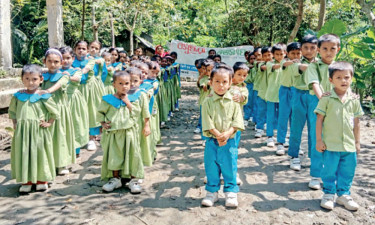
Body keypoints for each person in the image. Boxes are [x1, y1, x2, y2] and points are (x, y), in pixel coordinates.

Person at [315, 61, 363, 211]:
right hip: (331, 144)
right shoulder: (326, 98)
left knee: (348, 170)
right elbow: (319, 119)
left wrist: (357, 142)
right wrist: (319, 140)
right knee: (329, 170)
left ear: (351, 78)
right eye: (339, 77)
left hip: (348, 145)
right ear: (331, 80)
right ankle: (329, 194)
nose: (344, 81)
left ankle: (344, 195)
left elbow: (357, 122)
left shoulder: (354, 99)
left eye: (347, 77)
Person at [9, 64, 59, 192]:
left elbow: (55, 111)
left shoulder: (43, 96)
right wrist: (15, 123)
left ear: (41, 79)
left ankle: (42, 179)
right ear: (22, 79)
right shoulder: (18, 96)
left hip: (38, 131)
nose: (30, 82)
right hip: (23, 132)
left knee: (40, 153)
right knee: (25, 153)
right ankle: (27, 180)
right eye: (27, 79)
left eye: (34, 79)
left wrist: (49, 123)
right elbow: (13, 112)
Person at [201, 64, 244, 208]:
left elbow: (237, 120)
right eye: (217, 82)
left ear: (230, 83)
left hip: (229, 140)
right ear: (211, 82)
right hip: (212, 140)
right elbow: (207, 121)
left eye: (224, 82)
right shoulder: (207, 101)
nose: (221, 85)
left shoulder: (234, 101)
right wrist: (218, 135)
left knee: (229, 165)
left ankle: (231, 192)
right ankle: (212, 193)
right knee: (211, 166)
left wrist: (228, 133)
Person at [304, 33, 341, 190]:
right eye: (324, 48)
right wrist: (323, 102)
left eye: (332, 49)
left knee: (335, 139)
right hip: (318, 103)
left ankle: (331, 174)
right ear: (318, 50)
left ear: (338, 49)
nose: (328, 52)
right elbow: (315, 85)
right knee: (318, 138)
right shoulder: (314, 66)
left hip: (337, 105)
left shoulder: (340, 67)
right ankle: (315, 174)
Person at [98, 70, 144, 193]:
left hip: (129, 133)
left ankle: (133, 180)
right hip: (114, 134)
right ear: (114, 84)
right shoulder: (108, 100)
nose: (124, 86)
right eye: (120, 83)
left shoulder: (134, 99)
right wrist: (102, 123)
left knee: (133, 155)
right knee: (115, 156)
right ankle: (115, 179)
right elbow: (100, 112)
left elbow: (136, 113)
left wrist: (128, 103)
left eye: (127, 83)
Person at [286, 35, 318, 170]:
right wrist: (312, 67)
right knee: (296, 127)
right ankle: (294, 156)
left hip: (315, 97)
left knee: (315, 128)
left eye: (312, 48)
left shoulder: (321, 63)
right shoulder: (296, 62)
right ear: (301, 49)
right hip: (299, 95)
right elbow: (299, 68)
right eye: (305, 48)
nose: (309, 51)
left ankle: (315, 157)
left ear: (317, 49)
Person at [41, 48, 75, 175]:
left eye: (56, 61)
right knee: (47, 135)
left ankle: (61, 163)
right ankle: (48, 163)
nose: (53, 64)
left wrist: (48, 91)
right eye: (49, 61)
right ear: (45, 61)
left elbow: (59, 84)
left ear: (61, 63)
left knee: (60, 135)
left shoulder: (64, 75)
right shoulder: (41, 76)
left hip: (59, 108)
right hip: (44, 109)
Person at [72, 41, 103, 151]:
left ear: (87, 50)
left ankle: (91, 139)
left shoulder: (91, 61)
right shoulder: (71, 61)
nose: (81, 50)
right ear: (75, 49)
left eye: (83, 48)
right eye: (79, 48)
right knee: (78, 114)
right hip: (76, 89)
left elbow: (87, 70)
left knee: (91, 112)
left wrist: (78, 71)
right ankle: (79, 138)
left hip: (90, 89)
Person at [60, 46, 89, 159]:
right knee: (63, 126)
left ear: (72, 58)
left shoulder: (76, 70)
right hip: (60, 101)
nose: (65, 61)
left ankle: (76, 149)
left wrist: (68, 76)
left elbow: (77, 79)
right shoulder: (56, 71)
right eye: (62, 58)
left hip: (73, 101)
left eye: (68, 58)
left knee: (75, 124)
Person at [276, 42, 302, 155]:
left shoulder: (302, 63)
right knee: (283, 116)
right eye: (293, 53)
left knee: (295, 119)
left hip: (297, 92)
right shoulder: (284, 61)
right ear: (287, 53)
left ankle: (295, 144)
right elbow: (285, 64)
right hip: (285, 91)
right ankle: (280, 143)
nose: (296, 56)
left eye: (298, 53)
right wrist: (293, 62)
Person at [264, 44, 286, 148]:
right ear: (273, 55)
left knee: (282, 117)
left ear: (285, 53)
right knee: (270, 116)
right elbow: (276, 66)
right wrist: (286, 63)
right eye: (276, 54)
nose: (279, 56)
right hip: (271, 94)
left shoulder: (287, 64)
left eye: (281, 54)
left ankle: (282, 137)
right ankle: (269, 136)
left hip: (283, 96)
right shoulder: (269, 63)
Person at [254, 47, 273, 138]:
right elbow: (264, 67)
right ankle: (259, 128)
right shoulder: (259, 64)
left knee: (272, 113)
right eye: (264, 55)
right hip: (262, 92)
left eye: (269, 55)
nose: (267, 57)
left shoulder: (278, 64)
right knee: (261, 111)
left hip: (274, 93)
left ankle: (272, 131)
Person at [196, 59, 215, 144]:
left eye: (210, 70)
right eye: (206, 70)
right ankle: (205, 138)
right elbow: (203, 86)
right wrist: (207, 83)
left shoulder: (216, 78)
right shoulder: (203, 79)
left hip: (214, 102)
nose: (208, 72)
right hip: (204, 102)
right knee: (205, 120)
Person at [243, 52, 257, 125]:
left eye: (254, 58)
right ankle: (246, 117)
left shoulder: (258, 66)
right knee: (248, 102)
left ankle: (254, 119)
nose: (253, 60)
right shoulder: (245, 65)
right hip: (247, 84)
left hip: (255, 84)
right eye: (251, 59)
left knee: (255, 102)